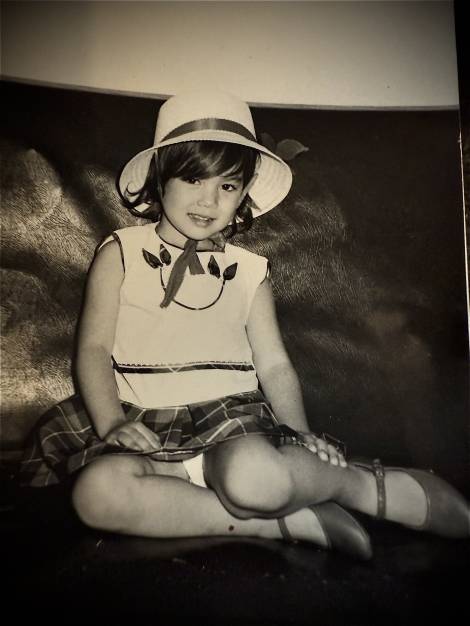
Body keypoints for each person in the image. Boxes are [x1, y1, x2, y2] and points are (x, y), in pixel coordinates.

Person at [20, 89, 469, 560]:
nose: (209, 200)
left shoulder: (249, 272)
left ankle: (357, 486)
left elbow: (273, 364)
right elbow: (94, 349)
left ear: (244, 193)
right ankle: (282, 522)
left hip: (230, 429)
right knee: (96, 495)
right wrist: (111, 421)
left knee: (254, 479)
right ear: (160, 176)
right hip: (143, 427)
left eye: (228, 186)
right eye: (193, 178)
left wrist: (299, 434)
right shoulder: (120, 252)